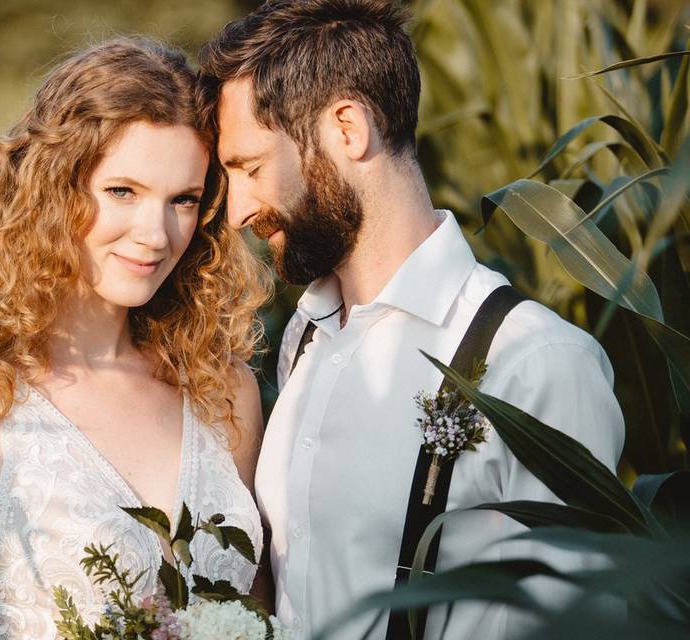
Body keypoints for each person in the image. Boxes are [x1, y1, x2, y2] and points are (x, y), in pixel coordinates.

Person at [196, 1, 625, 639]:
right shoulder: (305, 337)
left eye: (251, 169)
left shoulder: (536, 362)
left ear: (347, 128)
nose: (235, 213)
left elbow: (585, 624)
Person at [0, 38, 272, 639]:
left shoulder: (223, 390)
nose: (155, 234)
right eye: (122, 191)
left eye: (183, 200)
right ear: (55, 189)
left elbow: (257, 615)